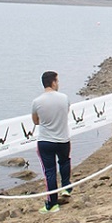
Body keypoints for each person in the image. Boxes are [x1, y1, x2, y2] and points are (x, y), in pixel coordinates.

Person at [32, 71, 71, 214]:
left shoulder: (37, 102)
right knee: (64, 162)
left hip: (46, 140)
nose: (58, 84)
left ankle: (52, 203)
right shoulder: (64, 98)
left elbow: (35, 121)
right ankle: (66, 187)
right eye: (57, 81)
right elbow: (66, 112)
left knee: (50, 171)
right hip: (63, 138)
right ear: (53, 82)